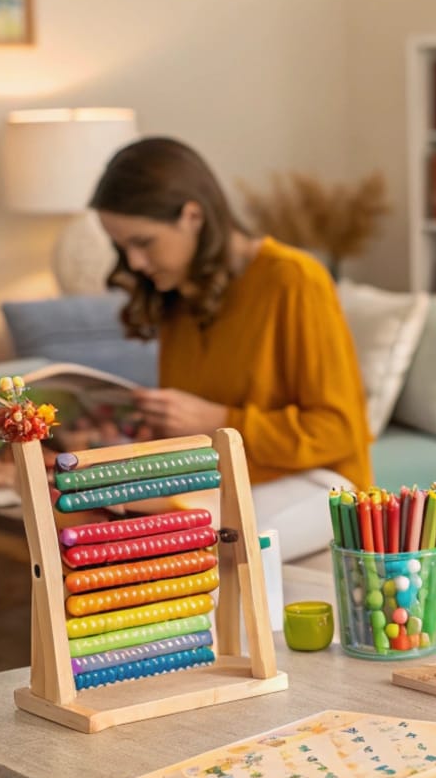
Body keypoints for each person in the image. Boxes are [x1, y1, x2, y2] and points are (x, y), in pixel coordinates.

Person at [90, 136, 373, 560]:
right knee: (97, 525)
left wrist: (219, 420)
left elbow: (339, 430)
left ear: (193, 216)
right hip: (223, 479)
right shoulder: (176, 296)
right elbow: (193, 432)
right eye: (121, 247)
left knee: (198, 547)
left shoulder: (295, 280)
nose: (133, 263)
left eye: (143, 242)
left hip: (322, 481)